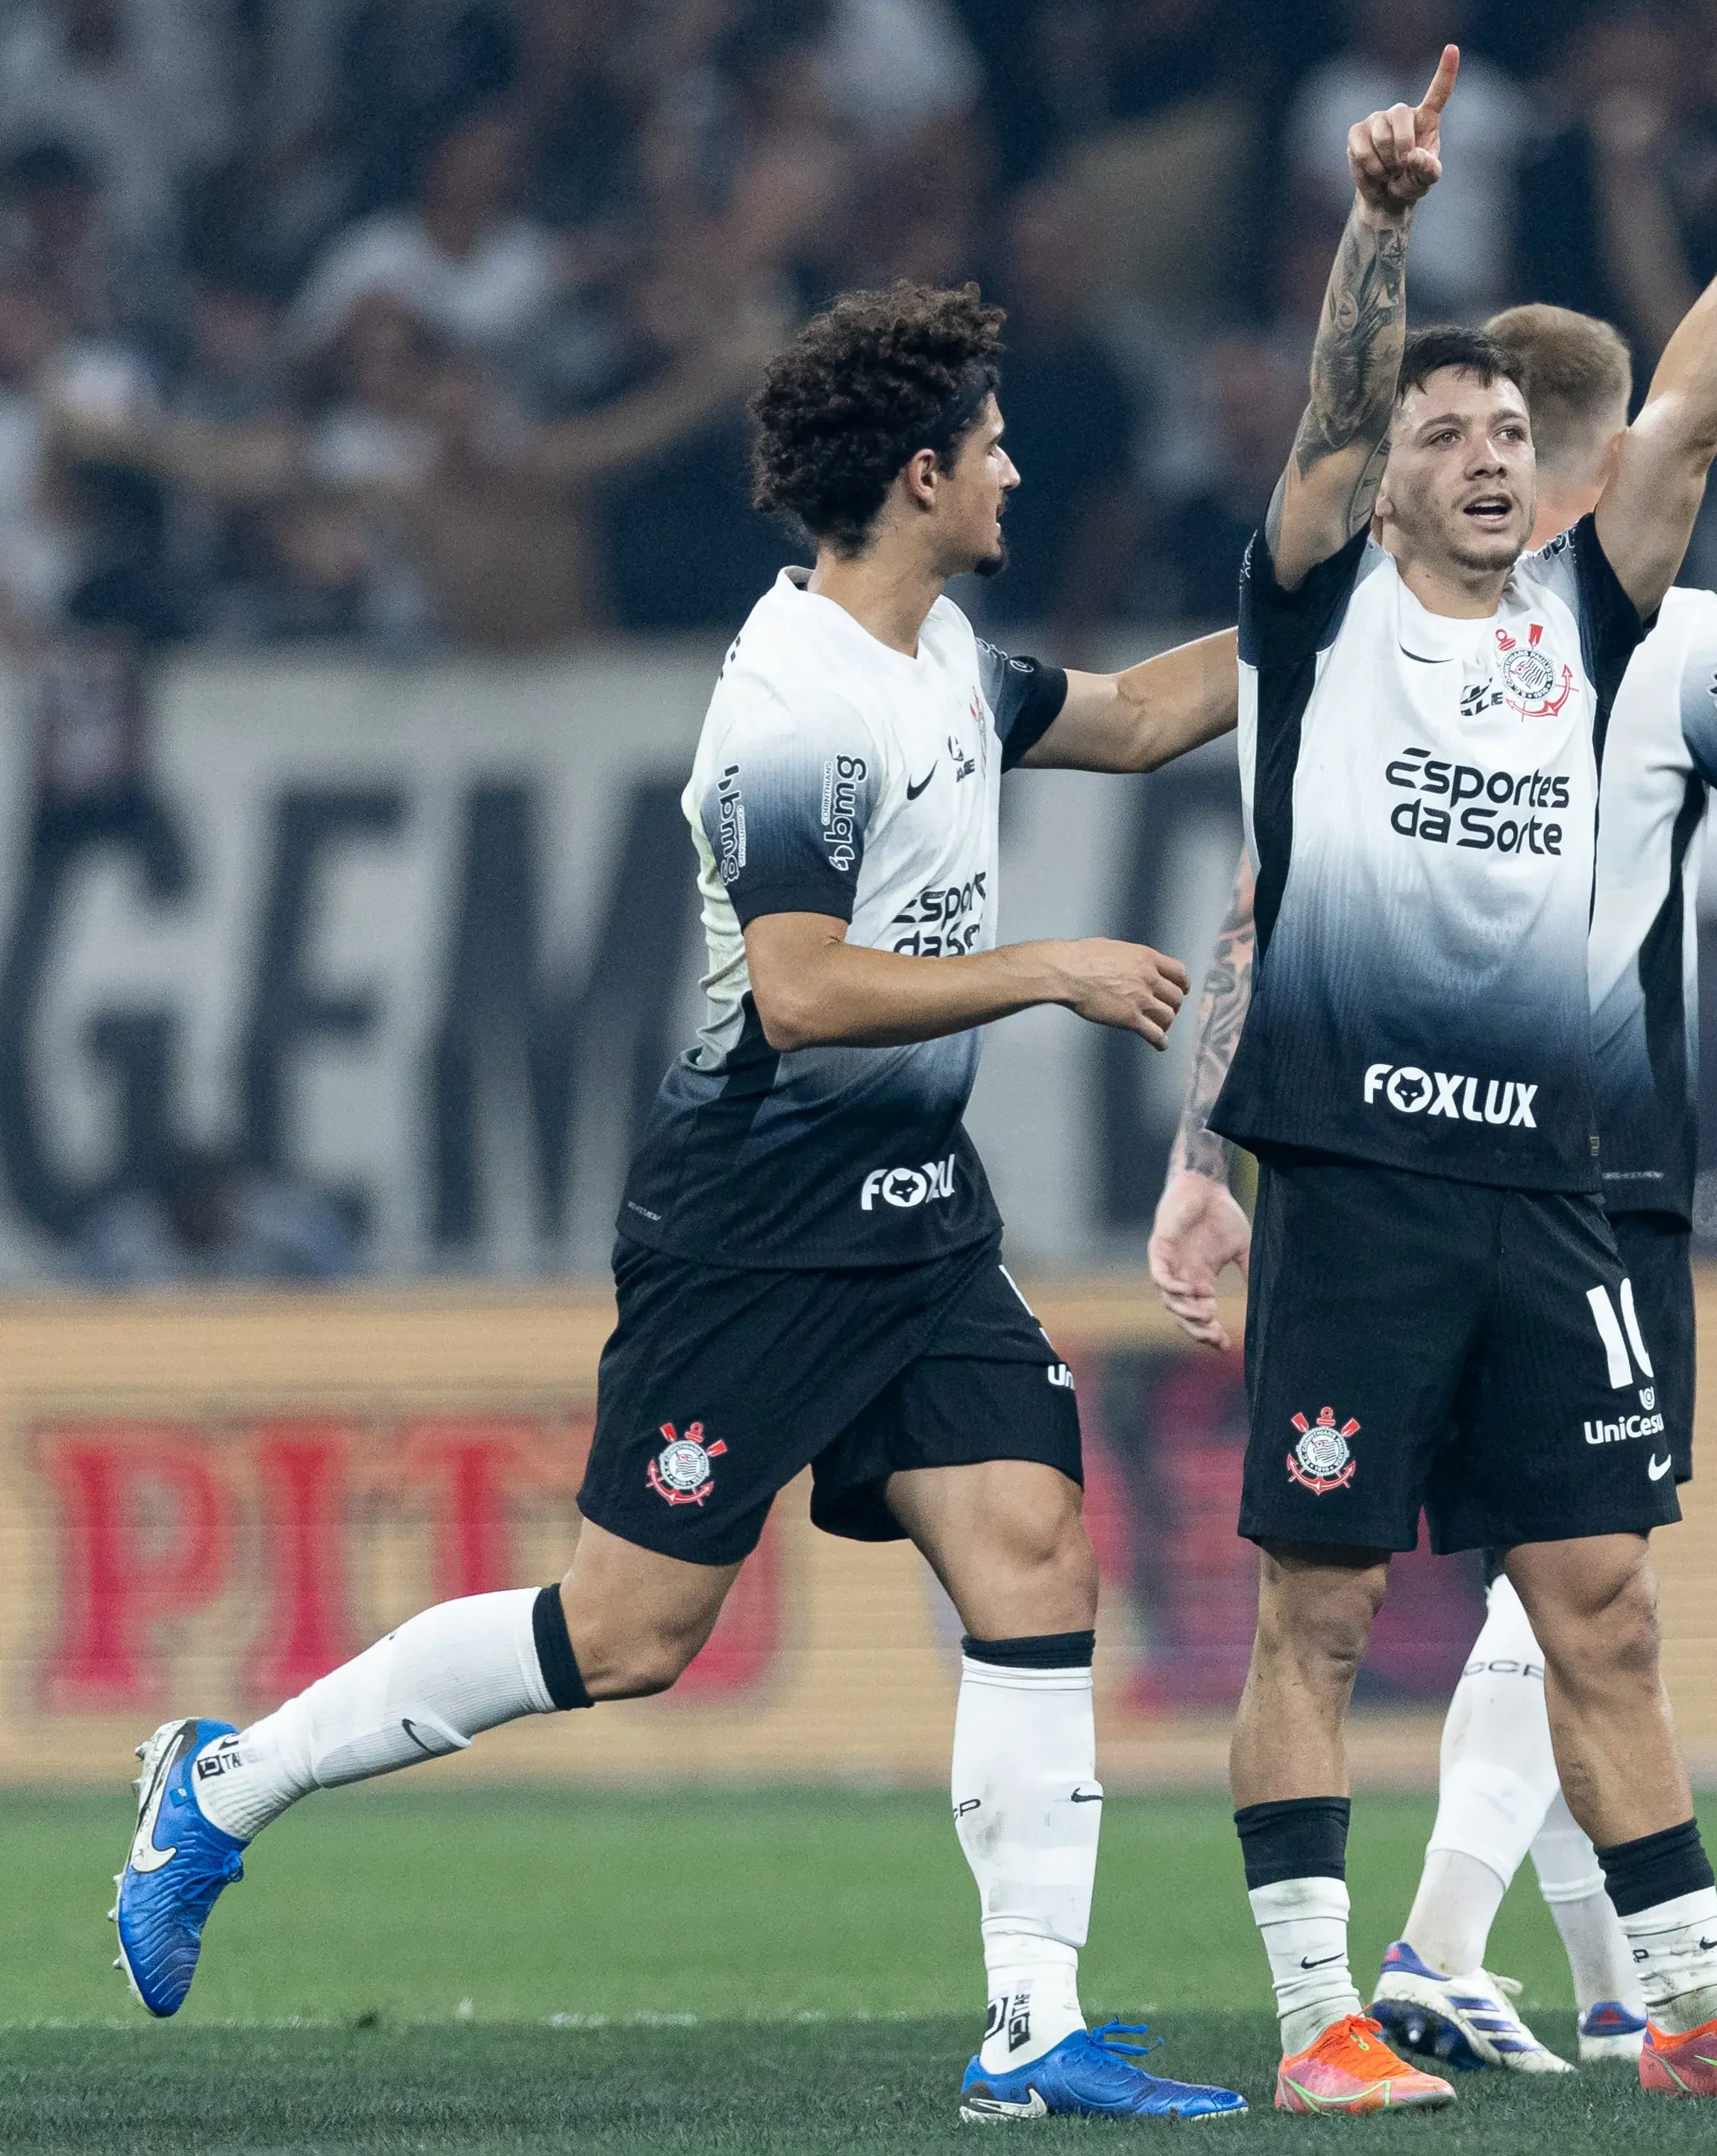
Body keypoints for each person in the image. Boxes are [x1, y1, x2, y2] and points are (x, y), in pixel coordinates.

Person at [113, 278, 1249, 2125]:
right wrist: (1039, 968)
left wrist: (1318, 621)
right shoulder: (789, 703)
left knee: (1036, 1546)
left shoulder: (940, 654)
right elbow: (799, 989)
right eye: (989, 446)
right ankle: (221, 1784)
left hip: (915, 1218)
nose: (1015, 469)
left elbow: (1128, 718)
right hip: (756, 1226)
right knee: (627, 1636)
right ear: (916, 475)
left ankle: (1032, 2032)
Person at [1151, 299, 1717, 2076]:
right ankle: (1323, 2019)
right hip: (1362, 1183)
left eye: (1503, 433)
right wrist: (1378, 222)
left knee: (1600, 1605)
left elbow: (1686, 415)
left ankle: (1691, 2012)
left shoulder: (1603, 631)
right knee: (1318, 1610)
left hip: (1551, 1189)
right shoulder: (1313, 627)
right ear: (1371, 485)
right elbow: (1323, 416)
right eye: (1439, 433)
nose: (1483, 457)